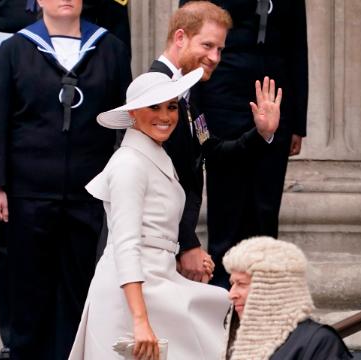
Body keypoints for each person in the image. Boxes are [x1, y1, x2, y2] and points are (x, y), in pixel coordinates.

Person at [0, 2, 131, 356]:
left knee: (77, 291)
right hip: (27, 196)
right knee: (28, 294)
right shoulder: (15, 50)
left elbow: (122, 121)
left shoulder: (110, 50)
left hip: (86, 194)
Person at [69, 69, 232, 360]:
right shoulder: (129, 163)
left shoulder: (154, 154)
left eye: (171, 106)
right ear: (132, 114)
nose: (166, 116)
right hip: (129, 297)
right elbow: (126, 244)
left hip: (157, 282)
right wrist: (140, 320)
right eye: (154, 107)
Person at [178, 0, 309, 288]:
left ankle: (262, 292)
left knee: (265, 207)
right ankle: (223, 293)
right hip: (220, 97)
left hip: (274, 98)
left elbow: (297, 47)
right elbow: (188, 34)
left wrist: (297, 122)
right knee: (226, 205)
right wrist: (195, 107)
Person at [150, 0, 280, 284]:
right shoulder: (154, 91)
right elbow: (155, 183)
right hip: (151, 251)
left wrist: (261, 134)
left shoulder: (189, 95)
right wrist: (187, 244)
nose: (215, 57)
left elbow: (214, 151)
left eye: (220, 49)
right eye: (207, 46)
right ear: (181, 37)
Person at [222, 236, 352, 359]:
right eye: (232, 284)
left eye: (241, 284)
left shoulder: (319, 343)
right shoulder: (240, 341)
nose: (231, 294)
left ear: (274, 287)